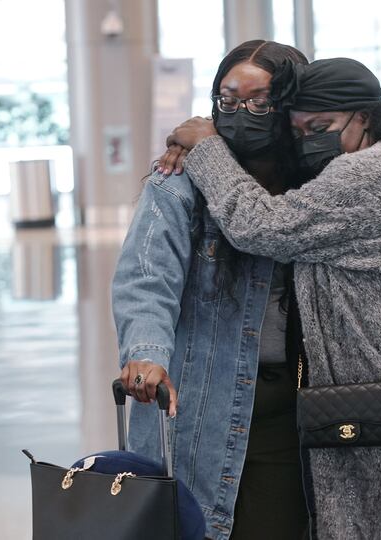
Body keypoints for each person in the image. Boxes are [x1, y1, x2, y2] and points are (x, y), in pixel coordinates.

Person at [165, 57, 381, 538]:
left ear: (365, 117)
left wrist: (207, 149)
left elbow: (259, 225)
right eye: (300, 130)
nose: (310, 140)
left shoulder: (374, 172)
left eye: (322, 127)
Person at [112, 40, 312, 540]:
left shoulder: (318, 185)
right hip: (201, 405)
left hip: (298, 412)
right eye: (228, 99)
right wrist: (146, 352)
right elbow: (145, 278)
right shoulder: (177, 181)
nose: (242, 113)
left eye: (259, 101)